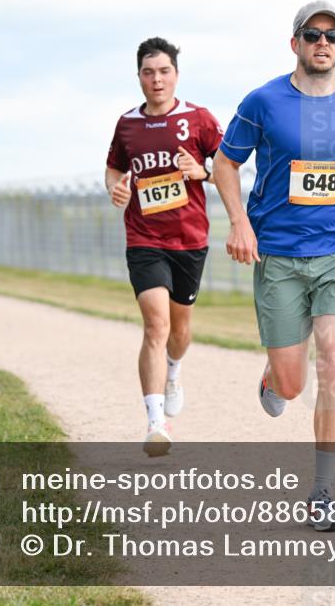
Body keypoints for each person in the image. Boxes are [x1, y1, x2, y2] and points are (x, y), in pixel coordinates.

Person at [212, 1, 335, 531]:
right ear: (295, 43)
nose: (322, 42)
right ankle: (276, 381)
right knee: (294, 382)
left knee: (334, 359)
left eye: (332, 35)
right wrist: (239, 223)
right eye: (312, 34)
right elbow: (225, 163)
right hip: (277, 253)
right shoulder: (263, 101)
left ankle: (322, 492)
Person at [105, 37, 223, 457]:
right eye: (148, 72)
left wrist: (202, 172)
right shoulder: (127, 124)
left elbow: (228, 166)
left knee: (180, 331)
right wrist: (116, 190)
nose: (156, 80)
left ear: (176, 74)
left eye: (164, 71)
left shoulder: (199, 119)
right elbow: (114, 168)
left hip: (190, 239)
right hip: (144, 238)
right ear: (139, 76)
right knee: (156, 326)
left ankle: (173, 370)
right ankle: (157, 422)